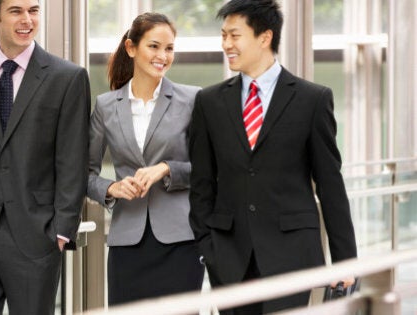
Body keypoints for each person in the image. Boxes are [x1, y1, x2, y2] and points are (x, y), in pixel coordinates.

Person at [188, 0, 357, 313]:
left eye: (234, 36)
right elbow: (201, 184)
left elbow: (330, 184)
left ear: (264, 37)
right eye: (223, 36)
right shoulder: (209, 102)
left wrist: (345, 261)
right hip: (230, 259)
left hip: (293, 257)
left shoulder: (312, 99)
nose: (226, 44)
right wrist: (209, 249)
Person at [0, 0, 90, 314]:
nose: (27, 20)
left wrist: (61, 232)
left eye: (33, 10)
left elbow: (72, 160)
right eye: (16, 11)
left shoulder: (68, 78)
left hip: (37, 239)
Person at [88, 12, 204, 306]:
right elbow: (83, 174)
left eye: (169, 48)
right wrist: (111, 189)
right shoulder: (105, 106)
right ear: (131, 48)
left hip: (181, 242)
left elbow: (209, 168)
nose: (162, 56)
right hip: (127, 242)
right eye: (154, 46)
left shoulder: (191, 100)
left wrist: (166, 169)